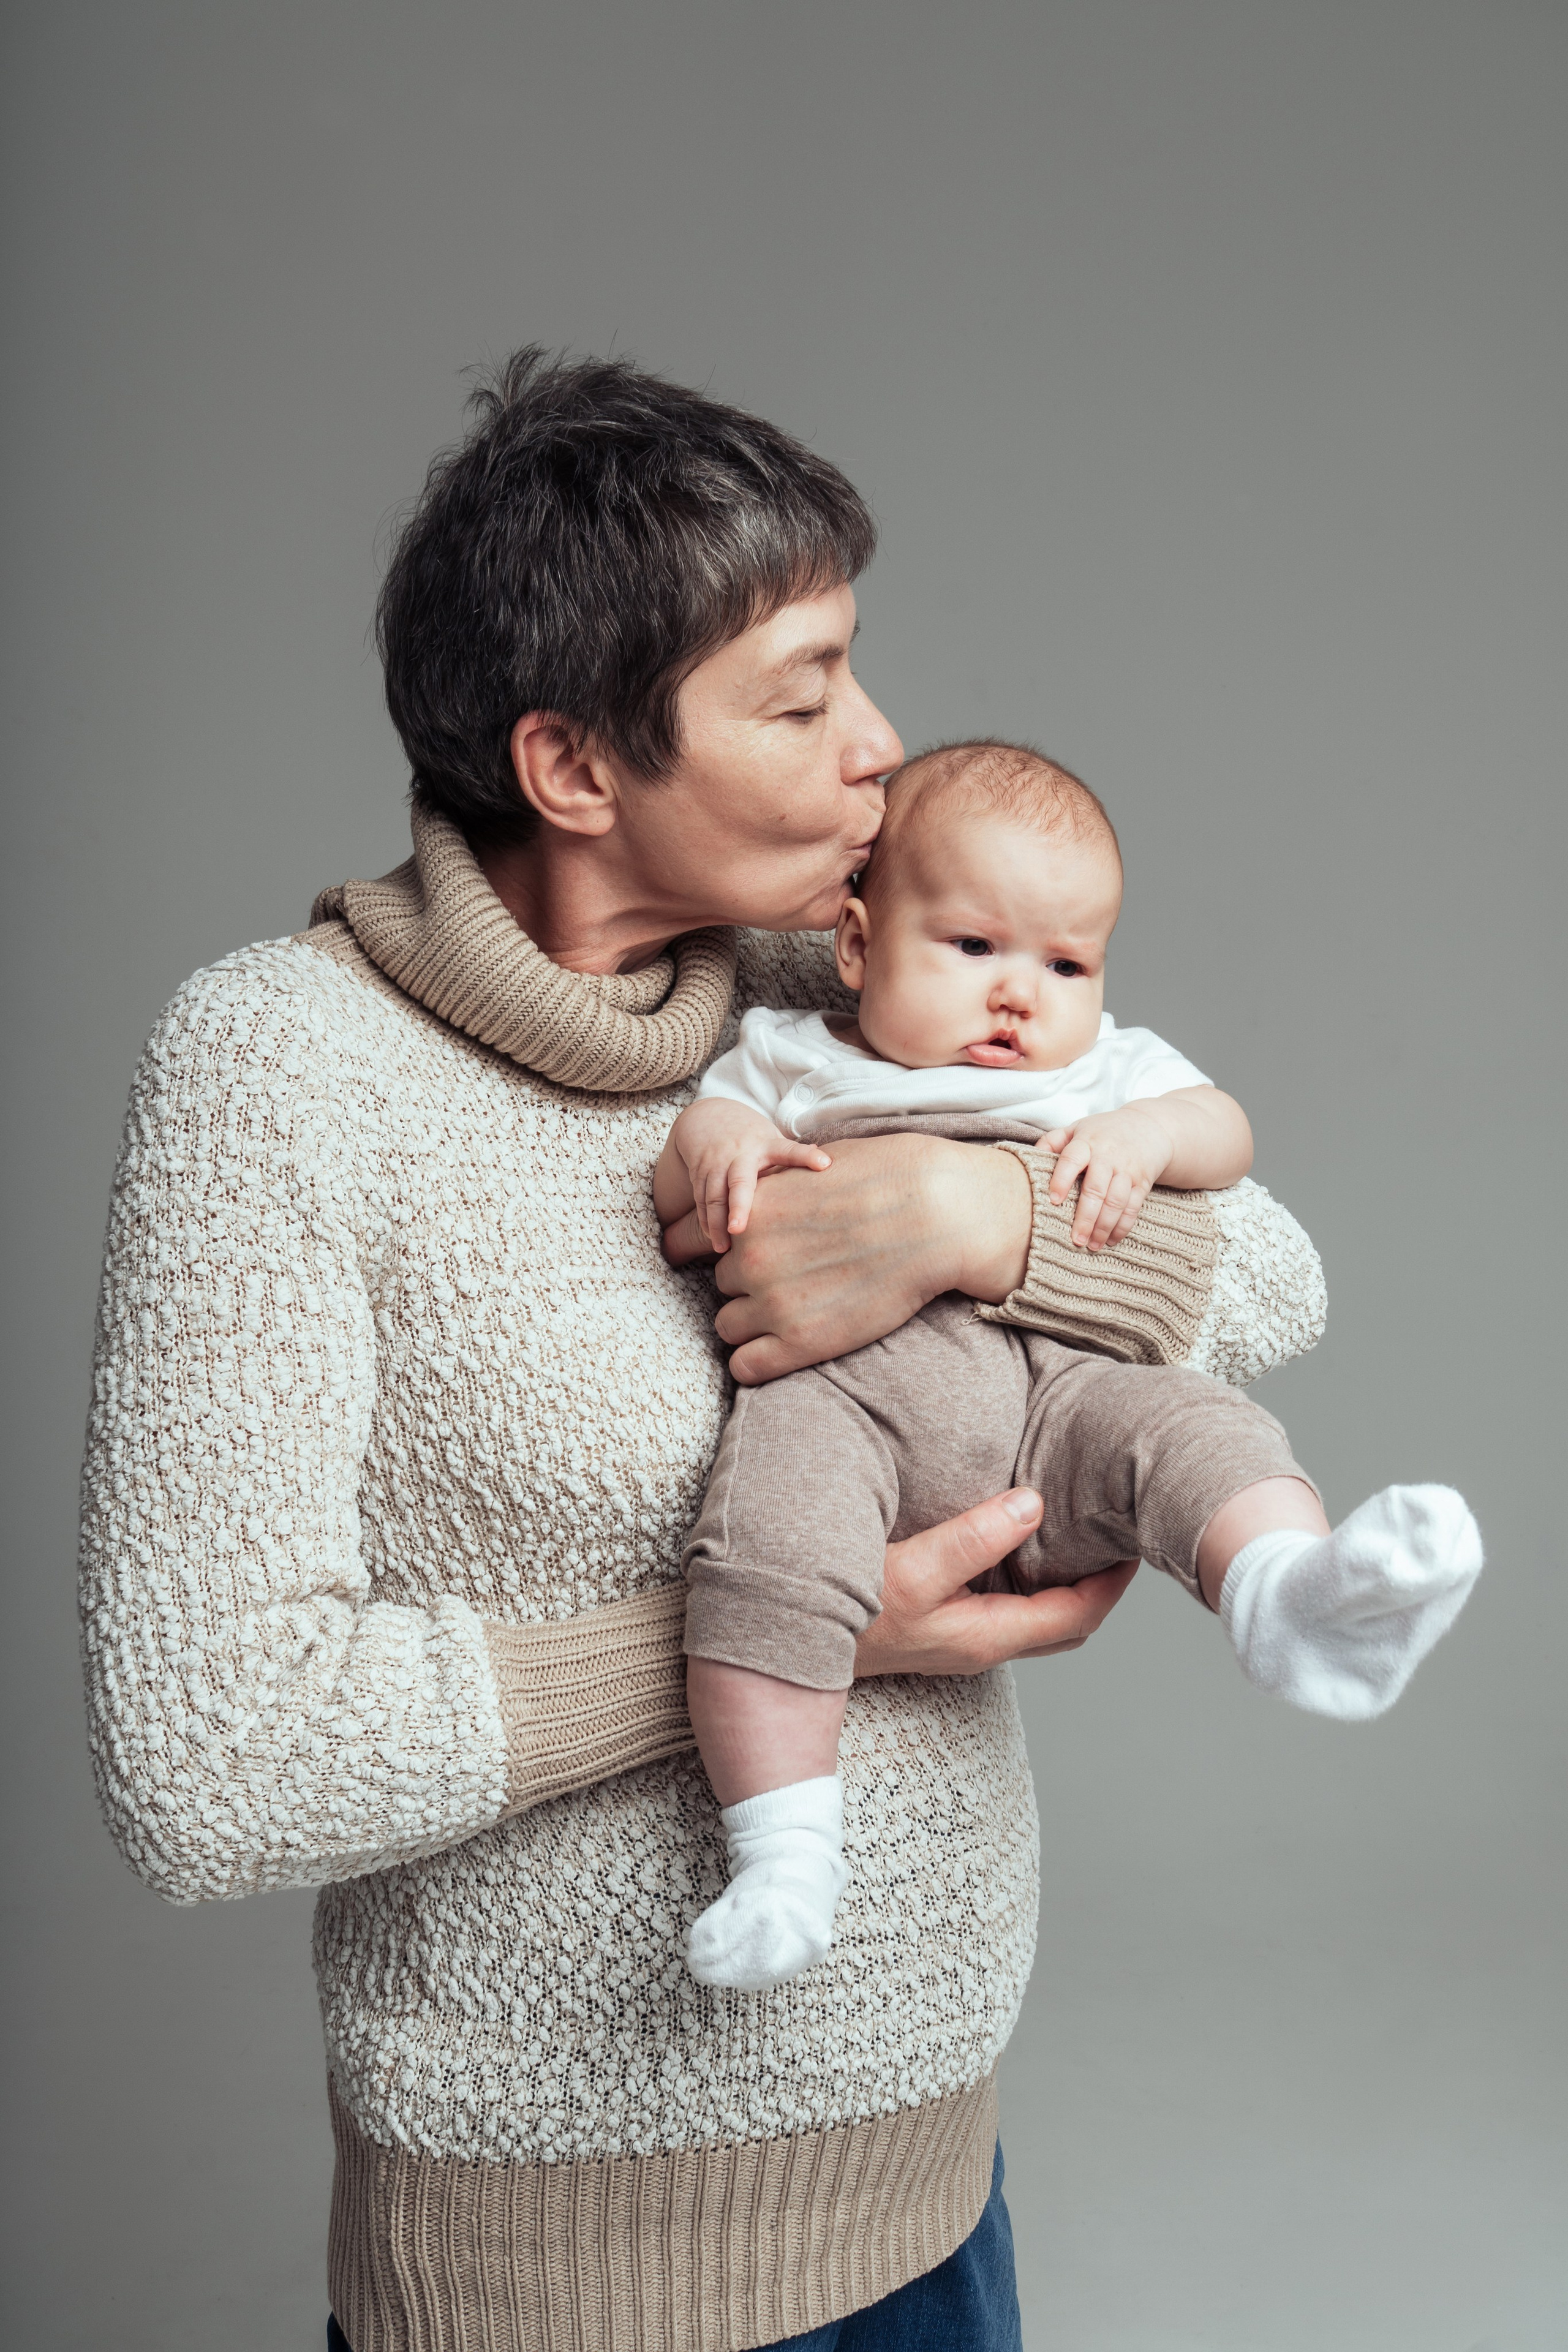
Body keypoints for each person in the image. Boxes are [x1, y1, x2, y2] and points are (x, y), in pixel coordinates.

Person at [80, 349, 1329, 2352]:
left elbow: (1270, 1271)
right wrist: (803, 1631)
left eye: (863, 671)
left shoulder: (845, 989)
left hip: (930, 2174)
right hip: (545, 2262)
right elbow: (213, 1757)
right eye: (804, 693)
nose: (884, 751)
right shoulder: (282, 1073)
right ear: (575, 768)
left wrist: (977, 1217)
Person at [660, 741, 1483, 1991]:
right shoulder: (795, 1054)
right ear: (854, 946)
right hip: (844, 1405)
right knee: (764, 1548)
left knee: (1196, 1426)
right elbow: (706, 1126)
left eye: (1065, 964)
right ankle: (784, 1853)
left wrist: (1149, 1130)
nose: (1017, 998)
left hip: (1061, 1396)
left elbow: (1227, 1135)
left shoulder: (1102, 1074)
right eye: (971, 947)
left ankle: (1283, 1593)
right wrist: (716, 1146)